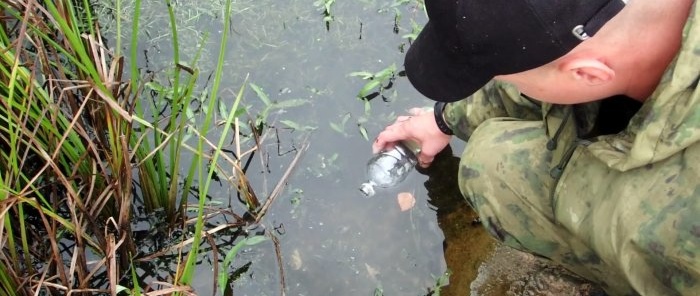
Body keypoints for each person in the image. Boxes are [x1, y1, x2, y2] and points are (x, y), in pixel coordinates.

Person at [372, 0, 700, 295]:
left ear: (588, 74)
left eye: (506, 79)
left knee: (492, 169)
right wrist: (446, 119)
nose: (504, 84)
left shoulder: (679, 219)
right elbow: (547, 54)